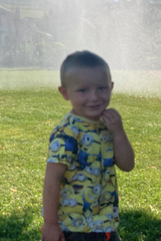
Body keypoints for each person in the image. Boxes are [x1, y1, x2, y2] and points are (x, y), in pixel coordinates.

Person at [42, 51, 134, 241]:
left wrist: (118, 132)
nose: (94, 97)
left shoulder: (108, 124)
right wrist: (50, 224)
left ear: (111, 87)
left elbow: (127, 165)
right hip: (75, 228)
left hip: (105, 224)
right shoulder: (68, 132)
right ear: (65, 93)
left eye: (101, 88)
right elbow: (52, 180)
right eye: (83, 90)